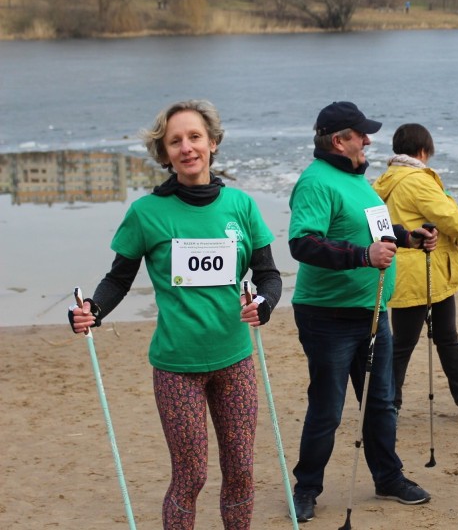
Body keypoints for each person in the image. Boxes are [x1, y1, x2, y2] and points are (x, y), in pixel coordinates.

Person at [69, 99, 282, 529]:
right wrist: (92, 310)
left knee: (241, 472)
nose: (187, 148)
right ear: (164, 154)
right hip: (176, 366)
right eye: (175, 141)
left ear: (213, 143)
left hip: (235, 360)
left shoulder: (240, 206)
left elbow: (269, 274)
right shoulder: (147, 213)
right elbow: (118, 279)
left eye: (195, 137)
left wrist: (264, 304)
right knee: (191, 476)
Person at [288, 102, 438, 523]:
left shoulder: (359, 181)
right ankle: (306, 489)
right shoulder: (316, 183)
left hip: (372, 312)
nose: (369, 140)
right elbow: (303, 243)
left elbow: (378, 231)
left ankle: (388, 478)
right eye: (361, 134)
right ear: (339, 141)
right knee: (328, 408)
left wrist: (411, 237)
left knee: (380, 402)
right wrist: (362, 256)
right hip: (327, 315)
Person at [372, 123, 458, 423]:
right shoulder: (416, 181)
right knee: (412, 342)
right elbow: (453, 221)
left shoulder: (385, 179)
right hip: (420, 273)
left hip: (423, 273)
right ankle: (390, 404)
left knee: (438, 338)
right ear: (423, 150)